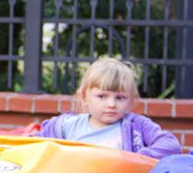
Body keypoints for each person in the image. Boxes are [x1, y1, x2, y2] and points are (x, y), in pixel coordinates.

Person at [34, 57, 181, 159]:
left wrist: (138, 157)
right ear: (84, 98)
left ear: (130, 102)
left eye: (120, 98)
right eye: (102, 96)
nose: (111, 104)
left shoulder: (138, 126)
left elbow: (171, 145)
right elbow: (32, 144)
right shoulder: (65, 126)